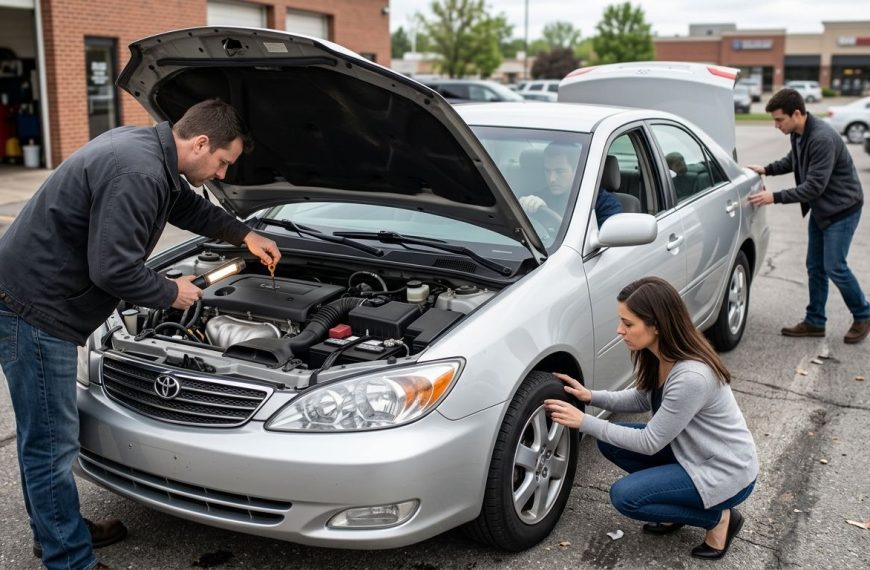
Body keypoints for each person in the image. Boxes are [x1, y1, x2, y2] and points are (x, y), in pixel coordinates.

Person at [0, 99, 281, 570]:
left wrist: (243, 234)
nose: (223, 174)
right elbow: (112, 269)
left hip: (36, 295)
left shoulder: (151, 152)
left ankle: (57, 530)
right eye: (222, 162)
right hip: (35, 310)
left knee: (47, 437)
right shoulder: (139, 172)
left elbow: (186, 206)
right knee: (50, 442)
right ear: (200, 143)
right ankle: (68, 558)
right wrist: (172, 292)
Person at [544, 276, 758, 560]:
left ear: (656, 325)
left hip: (724, 472)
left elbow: (650, 442)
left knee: (626, 497)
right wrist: (590, 396)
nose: (620, 330)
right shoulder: (662, 355)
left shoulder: (692, 376)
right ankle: (675, 507)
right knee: (610, 441)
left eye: (628, 323)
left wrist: (585, 422)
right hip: (692, 454)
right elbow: (642, 398)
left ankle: (719, 519)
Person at [747, 88, 869, 344]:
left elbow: (814, 187)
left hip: (842, 209)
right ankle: (815, 321)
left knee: (834, 266)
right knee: (815, 267)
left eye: (779, 120)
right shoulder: (798, 133)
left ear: (797, 114)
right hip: (823, 209)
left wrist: (774, 197)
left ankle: (863, 315)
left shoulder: (822, 138)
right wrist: (766, 169)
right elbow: (794, 161)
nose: (776, 125)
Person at [519, 142, 623, 227]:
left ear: (577, 171)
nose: (552, 179)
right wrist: (523, 208)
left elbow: (606, 243)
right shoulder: (537, 199)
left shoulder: (605, 204)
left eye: (560, 171)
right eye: (547, 171)